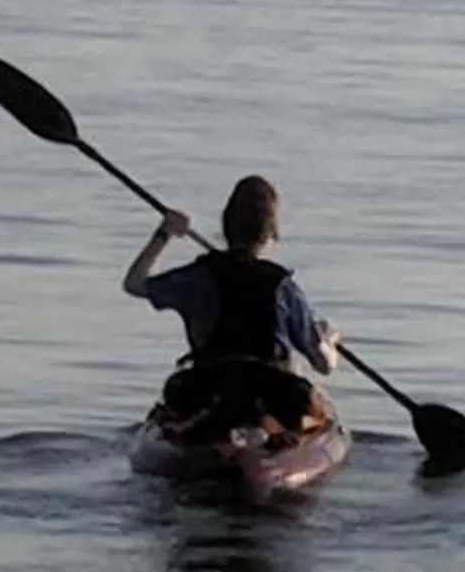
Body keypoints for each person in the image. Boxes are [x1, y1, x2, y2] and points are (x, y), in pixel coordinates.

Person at [123, 173, 340, 437]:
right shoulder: (283, 287)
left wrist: (164, 234)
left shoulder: (198, 277)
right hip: (272, 397)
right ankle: (265, 436)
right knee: (299, 387)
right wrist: (328, 340)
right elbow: (323, 365)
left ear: (226, 226)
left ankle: (208, 436)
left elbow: (134, 283)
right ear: (272, 233)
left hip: (208, 390)